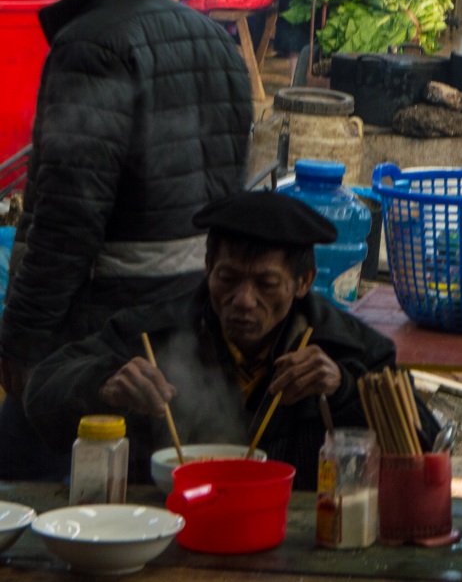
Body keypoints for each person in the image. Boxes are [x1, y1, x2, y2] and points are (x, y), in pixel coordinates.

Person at [0, 0, 251, 478]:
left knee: (50, 470)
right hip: (198, 323)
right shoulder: (213, 37)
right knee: (167, 475)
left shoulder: (90, 45)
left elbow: (65, 215)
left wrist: (22, 338)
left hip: (110, 327)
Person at [23, 192, 425, 489]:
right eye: (227, 279)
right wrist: (103, 383)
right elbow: (41, 392)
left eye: (267, 284)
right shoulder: (151, 332)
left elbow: (423, 446)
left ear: (303, 281)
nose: (243, 301)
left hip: (301, 535)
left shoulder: (350, 348)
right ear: (208, 266)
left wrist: (344, 390)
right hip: (170, 526)